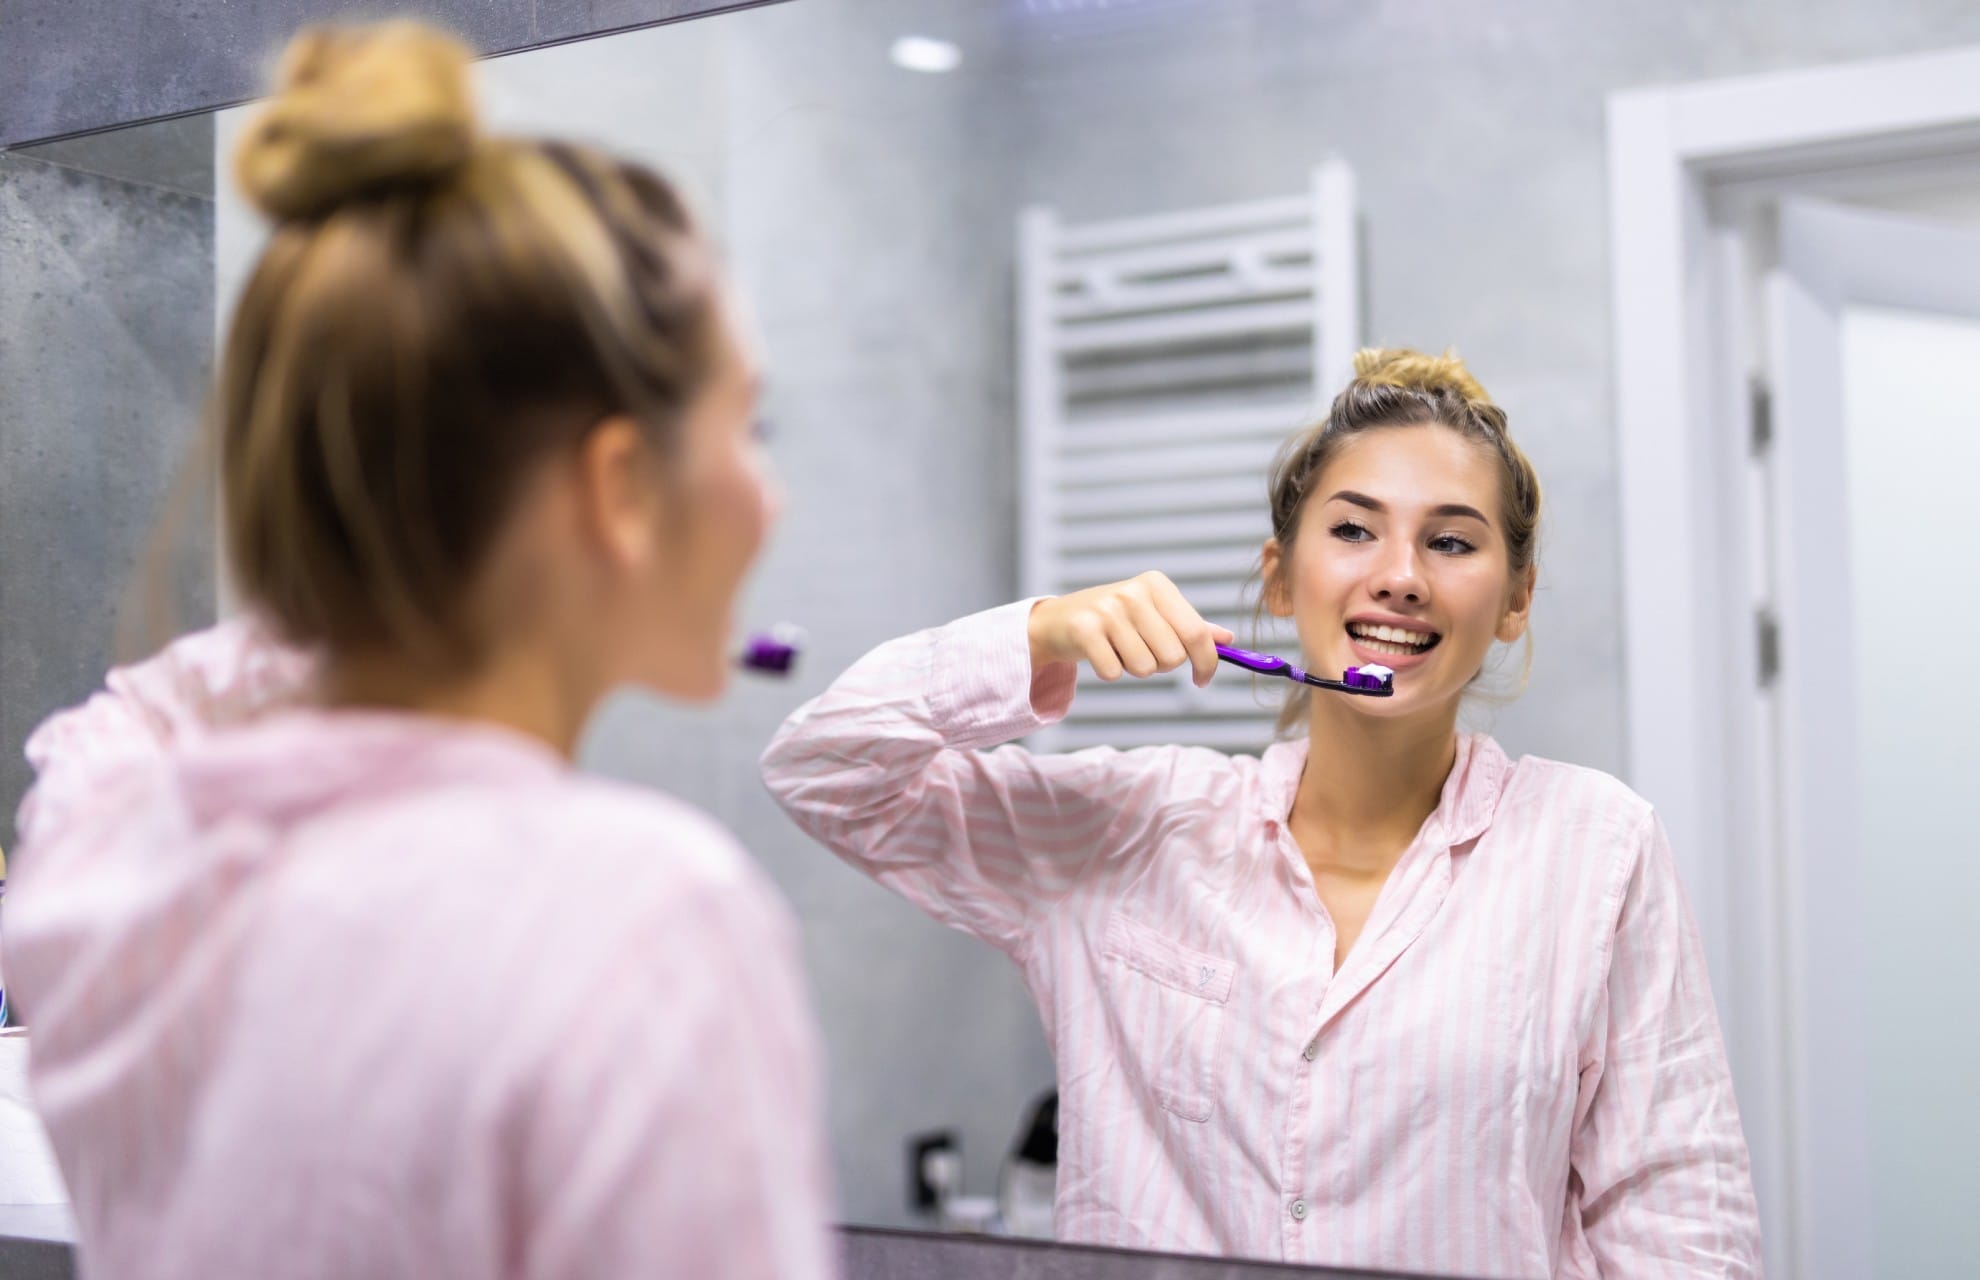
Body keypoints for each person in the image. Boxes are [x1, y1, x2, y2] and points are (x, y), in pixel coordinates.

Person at [3, 21, 832, 1279]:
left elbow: (110, 735)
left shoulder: (115, 875)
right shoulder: (642, 918)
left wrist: (381, 578)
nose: (771, 498)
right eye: (748, 429)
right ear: (617, 486)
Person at [762, 349, 1761, 1277]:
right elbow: (822, 767)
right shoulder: (1126, 826)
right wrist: (1037, 635)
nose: (1401, 576)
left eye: (1452, 541)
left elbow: (1681, 1225)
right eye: (1354, 529)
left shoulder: (1598, 849)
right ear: (1280, 578)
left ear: (1515, 600)